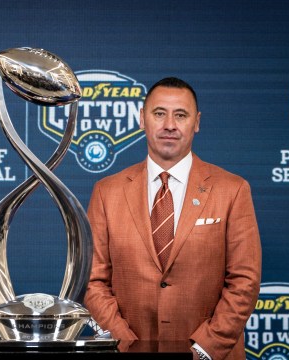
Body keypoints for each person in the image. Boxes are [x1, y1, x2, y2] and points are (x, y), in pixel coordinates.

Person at [83, 77, 261, 360]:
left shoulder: (233, 189)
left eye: (180, 115)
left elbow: (244, 281)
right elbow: (92, 280)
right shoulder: (107, 192)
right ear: (142, 118)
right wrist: (121, 341)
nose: (169, 125)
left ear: (197, 122)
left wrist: (205, 349)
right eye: (159, 113)